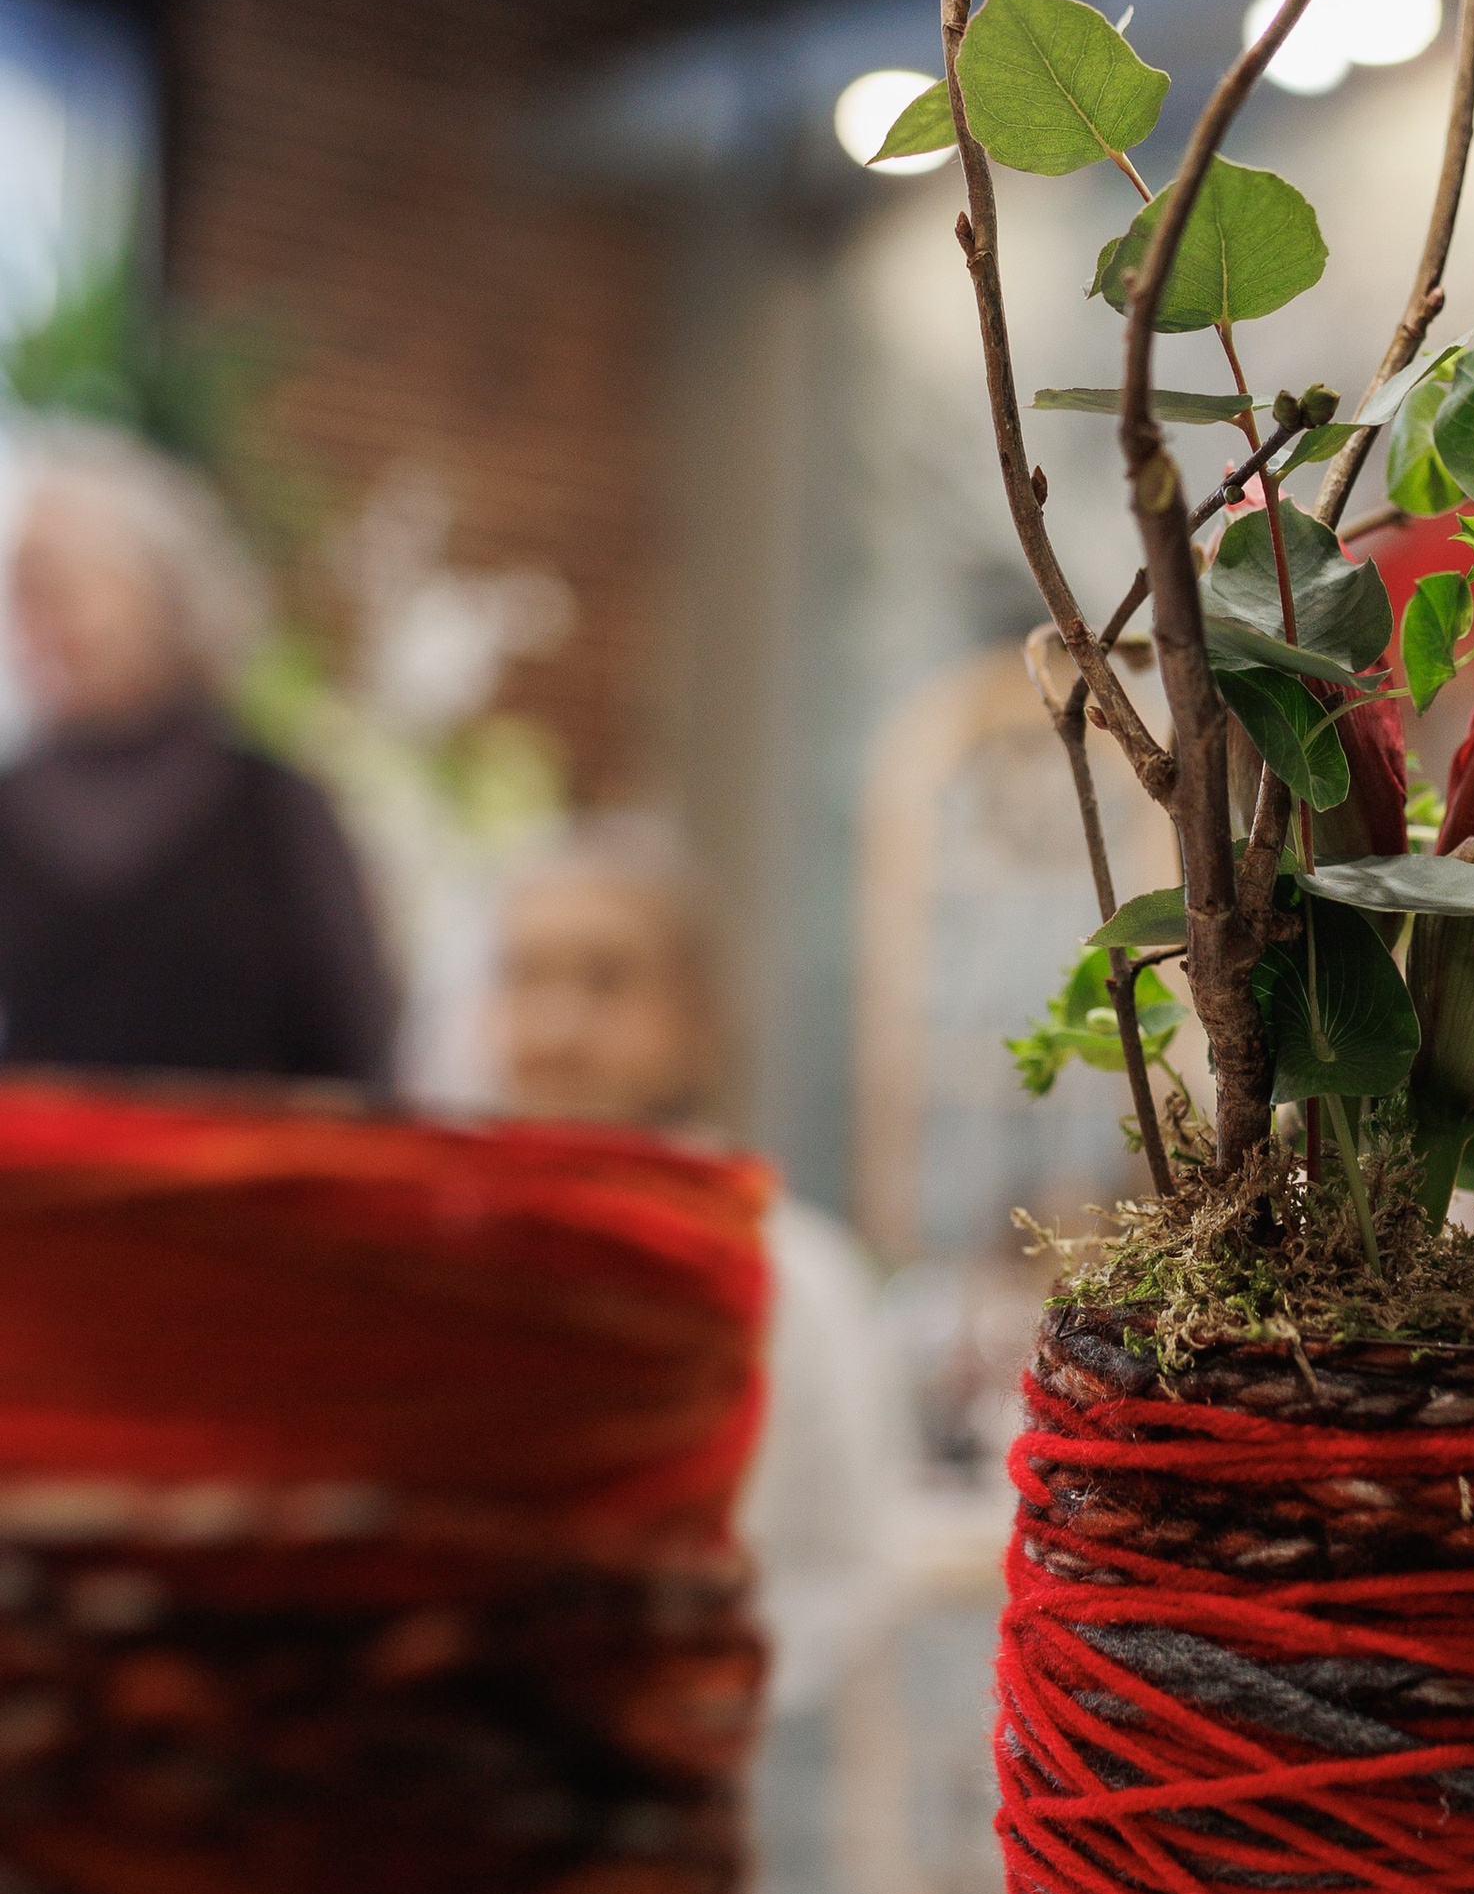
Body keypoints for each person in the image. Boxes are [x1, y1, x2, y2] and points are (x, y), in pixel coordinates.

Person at [483, 817, 913, 1712]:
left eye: (607, 980)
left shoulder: (798, 1281)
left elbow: (857, 1582)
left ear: (696, 1015)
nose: (556, 1029)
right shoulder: (444, 1268)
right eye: (526, 977)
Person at [0, 421, 395, 1083]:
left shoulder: (277, 811)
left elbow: (358, 1057)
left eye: (62, 586)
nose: (38, 620)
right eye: (21, 595)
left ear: (164, 592)